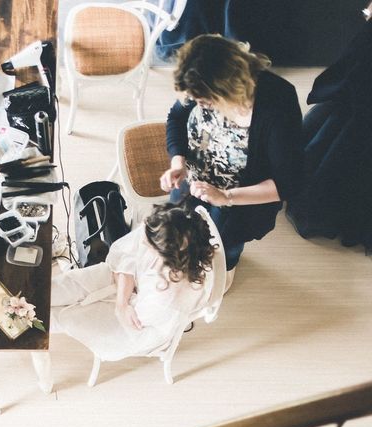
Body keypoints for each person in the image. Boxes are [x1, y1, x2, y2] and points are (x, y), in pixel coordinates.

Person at [160, 34, 303, 279]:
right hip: (193, 182)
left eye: (204, 101)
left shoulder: (277, 102)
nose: (197, 104)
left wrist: (225, 197)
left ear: (227, 88)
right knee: (182, 232)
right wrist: (178, 160)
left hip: (239, 202)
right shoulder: (196, 84)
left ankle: (225, 269)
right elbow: (176, 118)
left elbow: (287, 183)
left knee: (223, 246)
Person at [51, 202, 217, 362]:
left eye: (147, 244)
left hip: (136, 326)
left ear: (165, 255)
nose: (142, 240)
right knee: (63, 285)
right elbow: (124, 255)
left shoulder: (168, 296)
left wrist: (123, 297)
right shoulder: (161, 228)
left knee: (62, 318)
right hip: (127, 289)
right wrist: (122, 301)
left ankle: (27, 325)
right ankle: (30, 301)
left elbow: (135, 318)